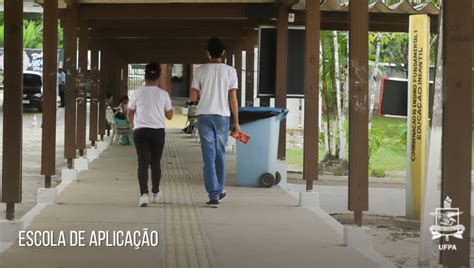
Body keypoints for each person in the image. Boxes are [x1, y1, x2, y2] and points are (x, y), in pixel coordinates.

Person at [190, 38, 240, 208]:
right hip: (222, 117)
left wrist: (203, 97)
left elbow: (193, 97)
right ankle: (218, 190)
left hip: (204, 116)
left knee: (208, 156)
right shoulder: (230, 71)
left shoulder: (200, 71)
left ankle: (213, 194)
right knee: (220, 154)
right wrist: (237, 123)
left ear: (208, 53)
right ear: (223, 53)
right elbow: (233, 98)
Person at [128, 63, 173, 207]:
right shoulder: (163, 94)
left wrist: (132, 124)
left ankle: (143, 195)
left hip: (140, 131)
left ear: (145, 76)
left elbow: (130, 111)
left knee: (142, 163)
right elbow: (170, 116)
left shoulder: (137, 92)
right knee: (155, 163)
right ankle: (155, 192)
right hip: (158, 132)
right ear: (158, 77)